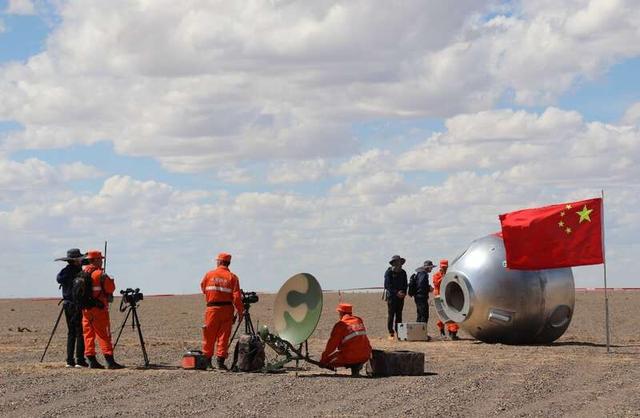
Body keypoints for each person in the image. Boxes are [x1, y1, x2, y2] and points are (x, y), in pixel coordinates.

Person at [82, 250, 125, 369]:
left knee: (88, 334)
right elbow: (110, 289)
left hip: (86, 309)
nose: (101, 261)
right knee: (103, 334)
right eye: (100, 259)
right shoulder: (99, 274)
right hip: (99, 309)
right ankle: (110, 361)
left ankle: (91, 360)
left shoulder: (83, 272)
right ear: (95, 260)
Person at [200, 252, 244, 370]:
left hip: (212, 309)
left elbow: (203, 288)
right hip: (227, 310)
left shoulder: (209, 275)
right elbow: (237, 297)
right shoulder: (233, 277)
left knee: (209, 335)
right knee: (224, 336)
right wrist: (240, 312)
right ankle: (220, 362)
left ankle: (207, 362)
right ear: (228, 263)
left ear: (219, 261)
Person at [55, 248, 88, 368]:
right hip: (76, 304)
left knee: (71, 332)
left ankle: (69, 360)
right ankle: (80, 360)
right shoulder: (77, 272)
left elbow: (59, 279)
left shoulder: (64, 271)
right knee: (80, 332)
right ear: (75, 260)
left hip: (66, 304)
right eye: (79, 258)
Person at [320, 303, 372, 376]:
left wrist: (323, 359)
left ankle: (353, 364)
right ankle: (356, 367)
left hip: (350, 356)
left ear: (341, 313)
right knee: (355, 350)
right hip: (365, 355)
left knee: (328, 360)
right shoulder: (359, 320)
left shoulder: (340, 325)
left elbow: (331, 345)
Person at [432, 259, 460, 340]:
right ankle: (442, 332)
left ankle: (452, 333)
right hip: (439, 297)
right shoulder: (436, 275)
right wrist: (443, 277)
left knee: (452, 314)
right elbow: (436, 283)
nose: (444, 268)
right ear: (440, 267)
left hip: (448, 296)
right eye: (443, 267)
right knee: (442, 315)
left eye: (445, 267)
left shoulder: (449, 274)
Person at [384, 254, 408, 340]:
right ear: (393, 263)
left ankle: (400, 333)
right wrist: (396, 292)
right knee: (391, 315)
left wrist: (404, 293)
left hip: (401, 297)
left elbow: (405, 284)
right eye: (397, 262)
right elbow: (387, 285)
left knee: (399, 315)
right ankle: (391, 332)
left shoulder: (403, 272)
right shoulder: (389, 272)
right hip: (392, 297)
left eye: (400, 262)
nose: (399, 264)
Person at [409, 260, 435, 325]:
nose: (431, 269)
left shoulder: (420, 273)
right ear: (428, 267)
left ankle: (419, 333)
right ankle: (422, 333)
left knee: (420, 315)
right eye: (431, 267)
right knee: (424, 315)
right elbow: (421, 285)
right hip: (421, 297)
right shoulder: (423, 274)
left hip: (418, 297)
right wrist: (429, 288)